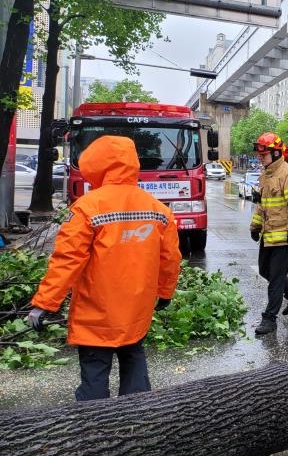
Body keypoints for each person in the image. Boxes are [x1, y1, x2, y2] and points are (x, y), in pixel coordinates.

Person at [27, 135, 181, 401]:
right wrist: (165, 292)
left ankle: (94, 430)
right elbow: (170, 258)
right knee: (134, 361)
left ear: (96, 165)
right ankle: (136, 423)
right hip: (136, 309)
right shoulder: (157, 209)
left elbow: (67, 259)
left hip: (96, 311)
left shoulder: (88, 207)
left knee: (95, 374)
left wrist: (44, 303)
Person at [249, 132, 288, 335]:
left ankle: (269, 319)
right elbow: (262, 205)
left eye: (263, 154)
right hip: (269, 234)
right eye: (259, 154)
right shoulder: (266, 175)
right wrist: (255, 227)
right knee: (265, 271)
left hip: (285, 237)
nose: (260, 157)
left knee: (275, 278)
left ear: (275, 153)